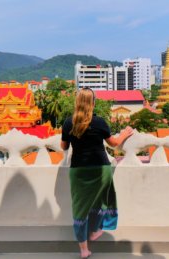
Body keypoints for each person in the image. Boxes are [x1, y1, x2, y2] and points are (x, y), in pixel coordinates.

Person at [61, 87, 134, 258]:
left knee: (79, 208)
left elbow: (63, 147)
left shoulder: (68, 123)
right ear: (93, 103)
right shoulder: (100, 122)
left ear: (77, 103)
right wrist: (124, 134)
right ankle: (96, 230)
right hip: (101, 169)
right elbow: (114, 143)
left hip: (79, 171)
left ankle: (83, 250)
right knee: (102, 201)